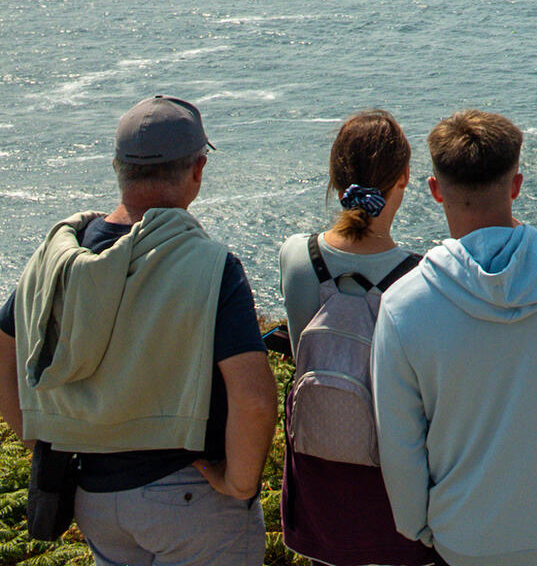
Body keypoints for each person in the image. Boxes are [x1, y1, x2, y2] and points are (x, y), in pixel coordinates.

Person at [0, 96, 277, 566]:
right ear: (198, 170)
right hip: (190, 498)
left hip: (96, 499)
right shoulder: (210, 266)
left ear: (118, 168)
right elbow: (253, 399)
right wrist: (241, 482)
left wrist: (36, 435)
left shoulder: (60, 258)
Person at [371, 110, 537, 566]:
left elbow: (400, 443)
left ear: (435, 190)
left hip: (471, 540)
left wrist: (420, 527)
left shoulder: (403, 304)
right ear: (516, 184)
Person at [279, 110, 431, 566]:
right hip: (393, 486)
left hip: (318, 479)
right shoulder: (421, 275)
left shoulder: (295, 255)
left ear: (335, 177)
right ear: (405, 177)